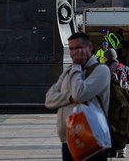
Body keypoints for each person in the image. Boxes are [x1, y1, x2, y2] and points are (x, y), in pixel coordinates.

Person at [45, 31, 111, 161]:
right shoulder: (69, 71)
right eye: (71, 49)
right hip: (69, 142)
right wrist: (69, 97)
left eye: (79, 48)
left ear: (90, 47)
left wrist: (76, 66)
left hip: (93, 140)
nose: (74, 52)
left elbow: (80, 94)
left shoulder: (101, 70)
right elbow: (49, 99)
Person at [105, 48, 129, 159]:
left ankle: (111, 150)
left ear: (106, 57)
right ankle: (122, 150)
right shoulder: (123, 68)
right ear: (116, 56)